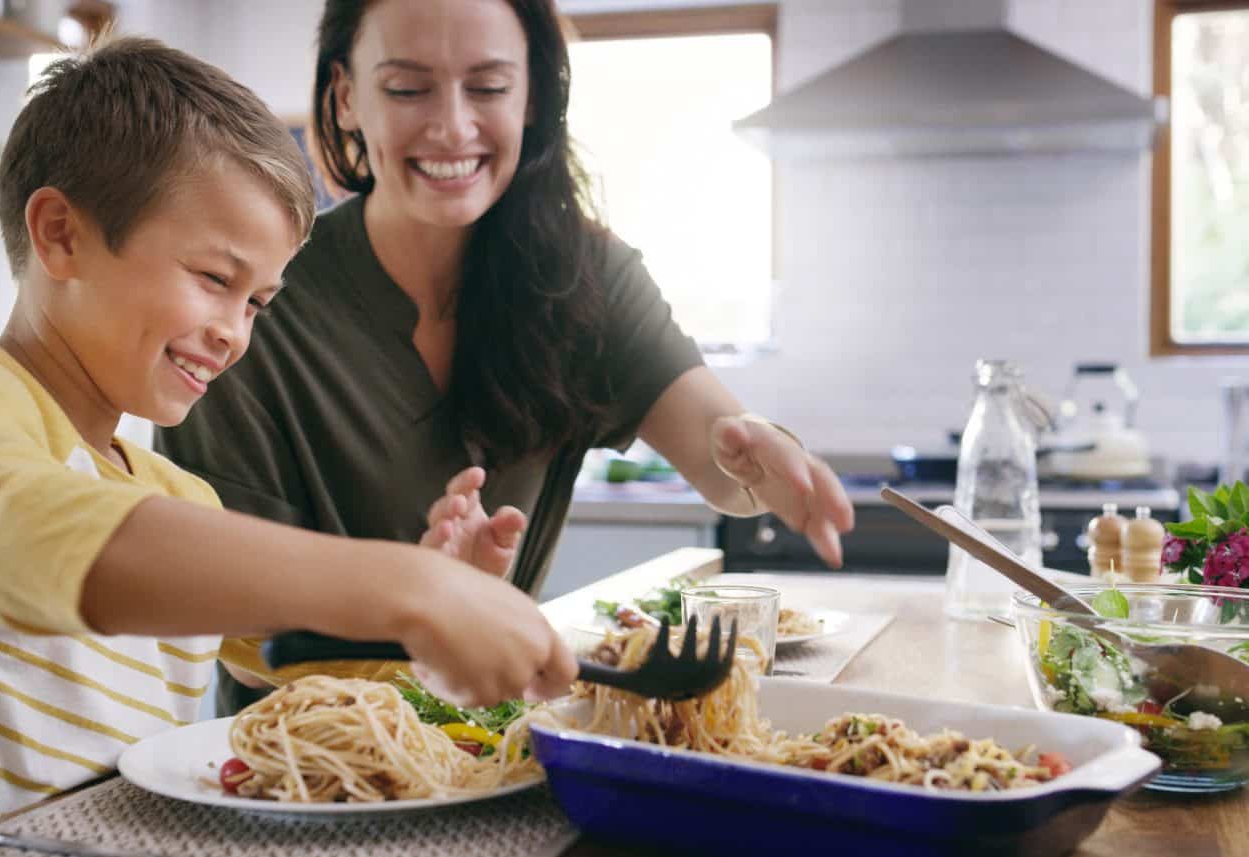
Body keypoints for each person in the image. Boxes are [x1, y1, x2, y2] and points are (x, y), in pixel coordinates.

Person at [0, 36, 575, 852]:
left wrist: (433, 647)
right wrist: (405, 585)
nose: (235, 334)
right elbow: (25, 540)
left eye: (258, 302)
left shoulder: (179, 500)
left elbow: (297, 670)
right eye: (215, 279)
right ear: (61, 234)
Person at [157, 0, 856, 717]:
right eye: (408, 88)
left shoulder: (586, 277)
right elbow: (234, 613)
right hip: (297, 768)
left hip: (499, 749)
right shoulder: (256, 300)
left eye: (488, 87)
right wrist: (420, 600)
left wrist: (759, 459)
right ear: (345, 97)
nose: (453, 125)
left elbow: (721, 452)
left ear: (532, 96)